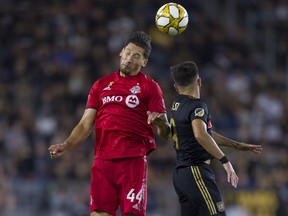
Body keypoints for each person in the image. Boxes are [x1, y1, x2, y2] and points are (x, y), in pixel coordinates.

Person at [48, 31, 170, 216]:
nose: (129, 58)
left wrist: (160, 122)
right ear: (121, 52)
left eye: (136, 56)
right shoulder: (101, 85)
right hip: (103, 161)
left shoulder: (150, 87)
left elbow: (166, 133)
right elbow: (84, 124)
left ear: (144, 62)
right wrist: (67, 145)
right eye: (128, 52)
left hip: (132, 161)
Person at [169, 61, 262, 216]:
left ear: (175, 87)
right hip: (197, 171)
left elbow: (204, 133)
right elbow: (201, 134)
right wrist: (225, 161)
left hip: (180, 174)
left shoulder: (176, 104)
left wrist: (236, 145)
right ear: (199, 81)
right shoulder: (198, 106)